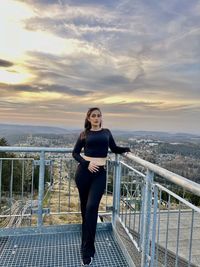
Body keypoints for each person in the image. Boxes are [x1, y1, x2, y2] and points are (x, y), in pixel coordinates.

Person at [72, 107, 131, 266]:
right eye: (93, 116)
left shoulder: (106, 132)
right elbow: (75, 153)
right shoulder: (84, 134)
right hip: (83, 174)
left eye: (99, 115)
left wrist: (126, 150)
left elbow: (114, 148)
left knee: (92, 207)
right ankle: (86, 246)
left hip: (100, 175)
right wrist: (86, 163)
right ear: (89, 118)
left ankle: (88, 250)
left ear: (101, 118)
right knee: (85, 211)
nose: (96, 118)